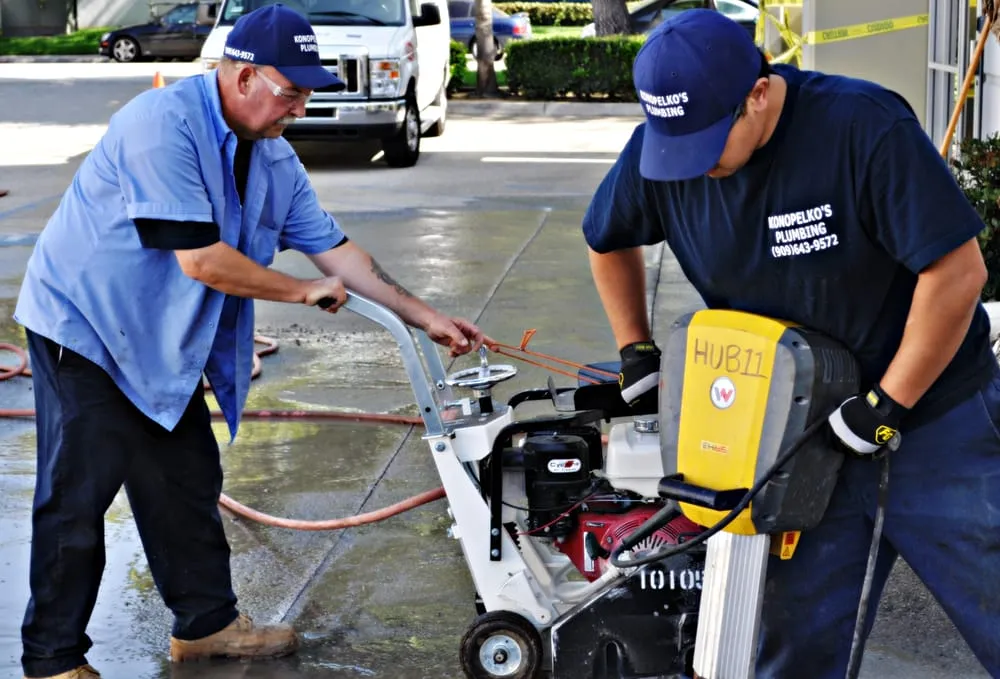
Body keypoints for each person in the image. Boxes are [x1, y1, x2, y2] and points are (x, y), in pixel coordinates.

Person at [12, 4, 486, 679]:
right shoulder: (161, 125)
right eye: (289, 91)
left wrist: (426, 315)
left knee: (184, 479)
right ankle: (52, 658)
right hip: (86, 327)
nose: (299, 106)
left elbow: (338, 252)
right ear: (242, 77)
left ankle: (204, 626)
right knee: (78, 494)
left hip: (159, 342)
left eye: (305, 92)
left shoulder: (272, 157)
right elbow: (201, 261)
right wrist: (298, 291)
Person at [586, 9, 1000, 679]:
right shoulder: (666, 150)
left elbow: (957, 272)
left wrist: (889, 402)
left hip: (935, 428)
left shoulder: (863, 128)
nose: (696, 167)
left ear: (758, 92)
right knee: (793, 646)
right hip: (794, 436)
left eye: (709, 143)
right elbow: (606, 239)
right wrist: (635, 348)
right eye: (677, 147)